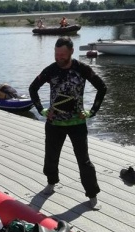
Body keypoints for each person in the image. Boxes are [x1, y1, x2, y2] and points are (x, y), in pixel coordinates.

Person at [28, 37, 107, 210]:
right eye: (56, 54)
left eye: (62, 54)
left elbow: (102, 87)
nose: (59, 57)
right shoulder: (50, 70)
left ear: (71, 51)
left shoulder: (82, 69)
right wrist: (42, 110)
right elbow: (33, 88)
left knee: (84, 160)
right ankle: (51, 183)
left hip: (77, 123)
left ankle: (92, 195)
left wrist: (91, 112)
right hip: (54, 123)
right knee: (51, 157)